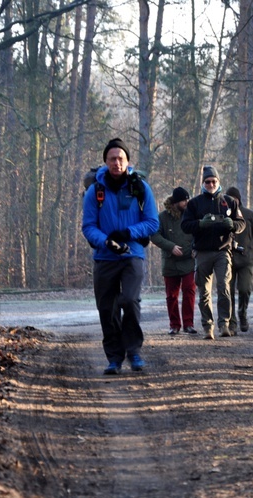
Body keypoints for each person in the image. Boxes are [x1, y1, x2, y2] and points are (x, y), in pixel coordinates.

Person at [82, 138, 159, 374]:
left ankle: (134, 352)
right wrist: (106, 241)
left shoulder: (140, 188)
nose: (117, 163)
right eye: (112, 159)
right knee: (107, 308)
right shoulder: (95, 191)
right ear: (105, 162)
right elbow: (88, 226)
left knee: (129, 300)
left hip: (132, 254)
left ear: (128, 161)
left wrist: (127, 233)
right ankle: (114, 358)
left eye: (121, 159)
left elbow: (152, 222)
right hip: (105, 257)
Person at [181, 166, 245, 340]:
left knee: (224, 287)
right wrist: (200, 224)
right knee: (204, 292)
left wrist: (231, 224)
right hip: (202, 252)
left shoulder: (230, 201)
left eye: (214, 181)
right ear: (203, 183)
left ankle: (224, 323)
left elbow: (241, 224)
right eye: (207, 181)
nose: (210, 184)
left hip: (223, 251)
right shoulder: (194, 203)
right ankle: (207, 325)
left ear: (219, 182)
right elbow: (185, 226)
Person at [151, 187, 198, 335]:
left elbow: (199, 231)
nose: (186, 202)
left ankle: (188, 324)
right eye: (184, 200)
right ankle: (174, 325)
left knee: (189, 290)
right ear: (176, 201)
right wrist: (170, 247)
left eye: (187, 199)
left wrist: (196, 248)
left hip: (189, 260)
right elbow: (154, 235)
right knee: (171, 295)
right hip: (170, 261)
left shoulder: (192, 215)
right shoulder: (163, 217)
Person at [225, 186, 253, 334]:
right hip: (227, 259)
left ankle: (242, 313)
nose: (232, 201)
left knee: (244, 289)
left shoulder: (249, 215)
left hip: (246, 260)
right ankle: (232, 323)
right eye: (229, 199)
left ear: (239, 199)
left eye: (234, 198)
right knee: (228, 291)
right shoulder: (223, 215)